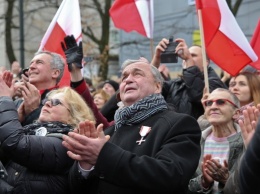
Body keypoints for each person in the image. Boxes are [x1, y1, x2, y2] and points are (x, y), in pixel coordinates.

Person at [62, 58, 202, 194]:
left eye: (137, 74)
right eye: (123, 77)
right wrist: (86, 166)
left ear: (157, 86)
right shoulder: (108, 132)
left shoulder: (179, 124)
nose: (128, 79)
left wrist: (104, 155)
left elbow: (170, 176)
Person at [0, 71, 96, 194]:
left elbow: (16, 144)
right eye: (46, 101)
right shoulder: (30, 130)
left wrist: (5, 99)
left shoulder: (68, 143)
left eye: (57, 102)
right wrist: (17, 118)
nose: (48, 103)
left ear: (73, 116)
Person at [151, 38, 226, 119]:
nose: (185, 57)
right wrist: (157, 58)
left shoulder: (214, 83)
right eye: (186, 55)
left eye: (193, 55)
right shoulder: (175, 84)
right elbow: (149, 89)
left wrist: (188, 59)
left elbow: (197, 95)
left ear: (206, 62)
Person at [188, 88, 244, 193]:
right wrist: (204, 182)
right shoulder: (194, 141)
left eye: (221, 102)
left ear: (236, 113)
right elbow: (186, 186)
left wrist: (227, 180)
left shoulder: (248, 142)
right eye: (209, 103)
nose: (213, 107)